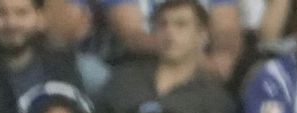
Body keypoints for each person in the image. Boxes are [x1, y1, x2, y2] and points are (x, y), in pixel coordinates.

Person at [94, 0, 236, 113]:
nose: (170, 32)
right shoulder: (123, 81)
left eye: (180, 24)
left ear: (202, 35)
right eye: (163, 24)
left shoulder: (213, 97)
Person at [96, 0, 242, 82]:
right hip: (135, 67)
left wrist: (224, 56)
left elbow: (226, 30)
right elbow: (133, 36)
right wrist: (195, 60)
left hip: (202, 74)